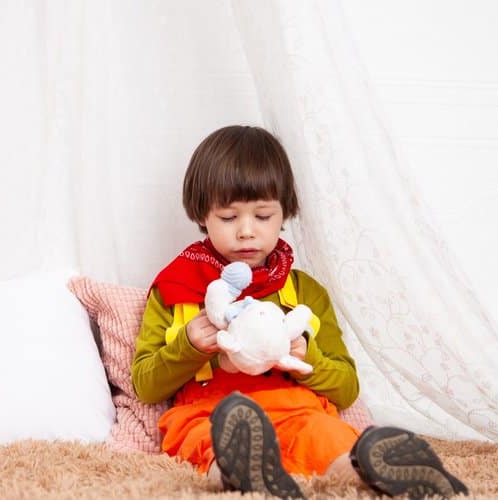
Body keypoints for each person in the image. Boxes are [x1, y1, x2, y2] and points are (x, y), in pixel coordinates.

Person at [131, 125, 469, 499]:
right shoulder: (174, 288)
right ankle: (237, 472)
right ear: (201, 215)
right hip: (212, 411)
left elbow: (346, 389)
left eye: (262, 216)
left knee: (326, 435)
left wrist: (308, 355)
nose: (246, 232)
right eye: (228, 218)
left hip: (295, 407)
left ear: (284, 213)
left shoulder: (305, 291)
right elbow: (146, 386)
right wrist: (189, 346)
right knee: (202, 437)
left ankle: (375, 473)